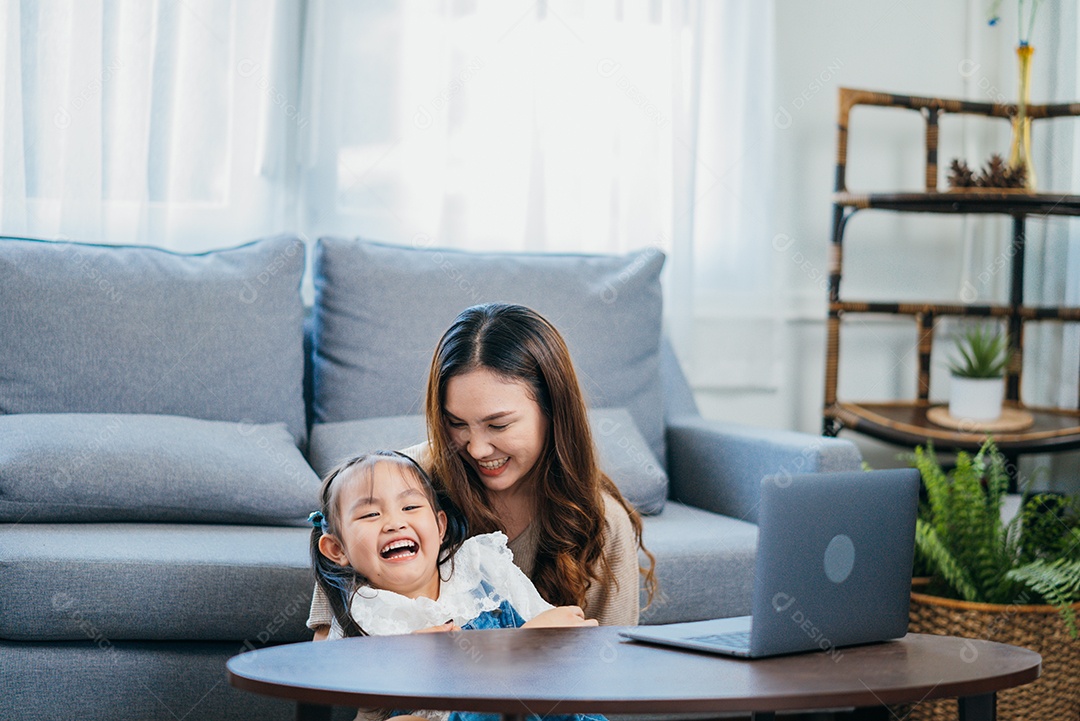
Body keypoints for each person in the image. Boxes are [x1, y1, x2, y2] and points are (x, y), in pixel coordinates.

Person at [309, 302, 656, 638]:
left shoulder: (601, 522)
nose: (476, 449)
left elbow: (608, 673)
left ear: (553, 411)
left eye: (499, 425)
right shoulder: (395, 486)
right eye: (456, 423)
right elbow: (327, 663)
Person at [310, 450, 603, 721]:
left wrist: (558, 629)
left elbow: (549, 626)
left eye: (410, 506)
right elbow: (337, 680)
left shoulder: (478, 565)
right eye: (370, 514)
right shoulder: (365, 609)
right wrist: (402, 659)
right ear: (338, 550)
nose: (394, 523)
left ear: (440, 527)